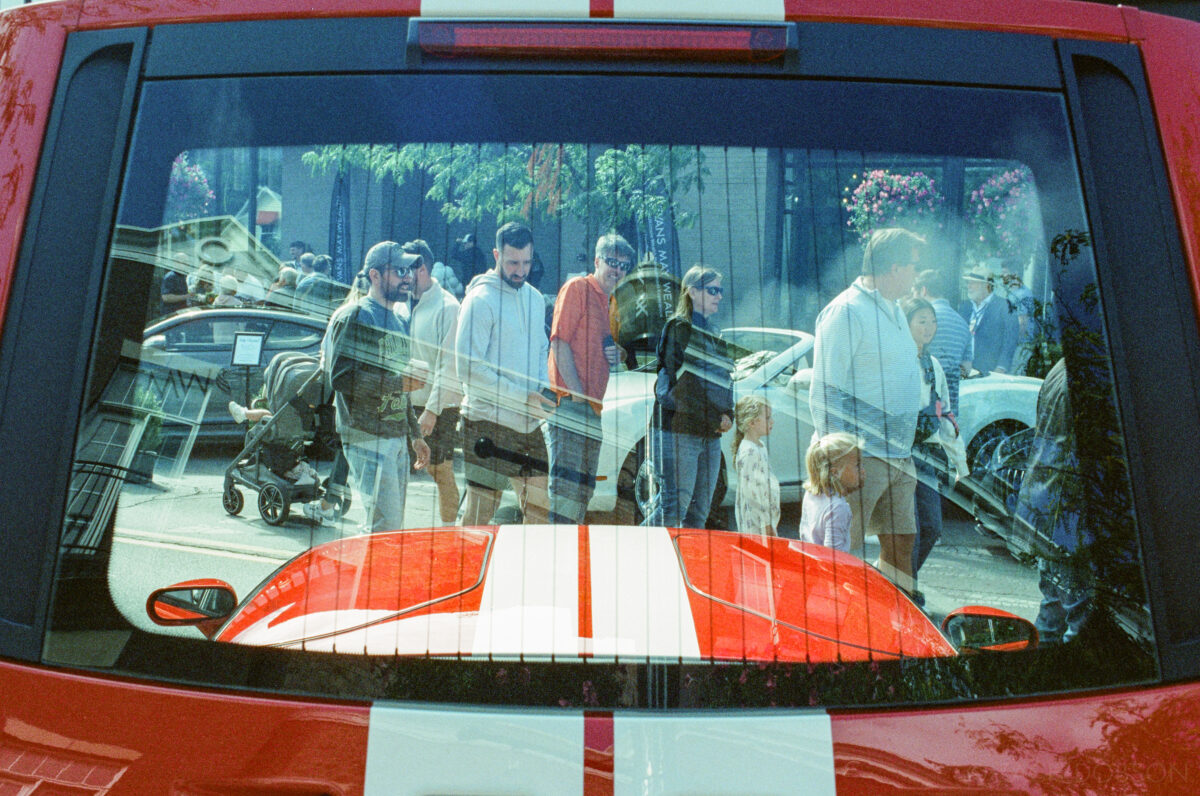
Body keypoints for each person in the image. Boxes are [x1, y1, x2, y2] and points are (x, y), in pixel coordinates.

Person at [809, 227, 924, 592]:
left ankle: (894, 621)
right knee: (844, 547)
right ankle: (837, 623)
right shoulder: (846, 311)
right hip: (862, 457)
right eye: (912, 267)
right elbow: (825, 388)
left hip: (898, 456)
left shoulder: (892, 310)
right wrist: (841, 459)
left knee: (901, 540)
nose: (915, 276)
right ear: (893, 268)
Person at [320, 241, 430, 533]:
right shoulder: (357, 316)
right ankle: (363, 578)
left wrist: (415, 434)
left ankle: (374, 576)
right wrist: (399, 382)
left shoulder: (398, 320)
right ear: (375, 276)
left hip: (395, 434)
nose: (407, 277)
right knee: (384, 526)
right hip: (367, 434)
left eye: (409, 270)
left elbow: (400, 385)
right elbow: (342, 377)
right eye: (398, 271)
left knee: (390, 528)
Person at [455, 222, 554, 525]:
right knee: (480, 515)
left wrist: (543, 390)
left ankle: (524, 572)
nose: (520, 271)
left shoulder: (536, 299)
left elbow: (540, 351)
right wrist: (522, 396)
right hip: (486, 423)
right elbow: (467, 369)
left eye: (526, 262)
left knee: (539, 512)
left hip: (527, 424)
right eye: (512, 262)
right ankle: (464, 571)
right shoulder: (479, 299)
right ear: (496, 254)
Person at [545, 233, 632, 523]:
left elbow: (604, 348)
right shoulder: (577, 289)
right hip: (571, 405)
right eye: (611, 262)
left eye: (623, 265)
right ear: (597, 261)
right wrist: (580, 397)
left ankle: (573, 556)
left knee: (584, 491)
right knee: (567, 491)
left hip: (593, 408)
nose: (617, 270)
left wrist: (617, 353)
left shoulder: (611, 303)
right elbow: (559, 344)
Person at [650, 264, 734, 529]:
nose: (719, 296)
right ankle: (633, 551)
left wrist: (729, 413)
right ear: (692, 292)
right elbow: (678, 388)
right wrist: (715, 417)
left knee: (698, 513)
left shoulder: (714, 332)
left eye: (720, 290)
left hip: (708, 435)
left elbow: (725, 379)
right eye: (713, 290)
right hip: (679, 432)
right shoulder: (679, 328)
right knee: (673, 510)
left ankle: (682, 567)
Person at [1015, 358, 1093, 643]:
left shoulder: (1062, 367)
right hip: (1067, 513)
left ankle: (1038, 674)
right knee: (1079, 619)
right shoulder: (1091, 373)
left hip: (1046, 504)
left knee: (1053, 609)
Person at [901, 296, 969, 602]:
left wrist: (960, 465)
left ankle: (898, 581)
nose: (928, 327)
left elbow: (945, 415)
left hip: (926, 459)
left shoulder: (933, 365)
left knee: (931, 528)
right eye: (921, 321)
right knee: (908, 533)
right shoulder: (894, 362)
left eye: (932, 321)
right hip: (899, 457)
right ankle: (905, 591)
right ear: (906, 323)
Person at [404, 238, 464, 525]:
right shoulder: (406, 305)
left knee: (441, 471)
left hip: (439, 406)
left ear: (423, 270)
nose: (402, 277)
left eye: (407, 271)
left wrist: (432, 409)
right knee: (409, 472)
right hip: (410, 403)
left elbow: (449, 366)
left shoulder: (448, 307)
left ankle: (450, 533)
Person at [913, 268, 972, 414]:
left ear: (923, 290)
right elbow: (966, 368)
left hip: (921, 406)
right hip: (948, 409)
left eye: (914, 292)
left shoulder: (917, 320)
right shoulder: (962, 324)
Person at [798, 432, 863, 552]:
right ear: (835, 472)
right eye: (857, 466)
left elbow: (804, 532)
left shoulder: (811, 494)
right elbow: (834, 554)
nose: (862, 471)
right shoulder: (838, 507)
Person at [733, 394, 779, 537]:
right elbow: (752, 493)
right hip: (756, 523)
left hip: (765, 518)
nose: (772, 421)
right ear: (751, 423)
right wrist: (765, 523)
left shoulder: (760, 446)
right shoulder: (749, 452)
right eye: (767, 418)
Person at [959, 266, 1018, 375]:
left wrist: (1001, 368)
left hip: (990, 372)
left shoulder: (1005, 306)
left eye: (973, 283)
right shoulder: (964, 307)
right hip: (963, 370)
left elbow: (1010, 341)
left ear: (986, 285)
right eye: (968, 282)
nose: (969, 286)